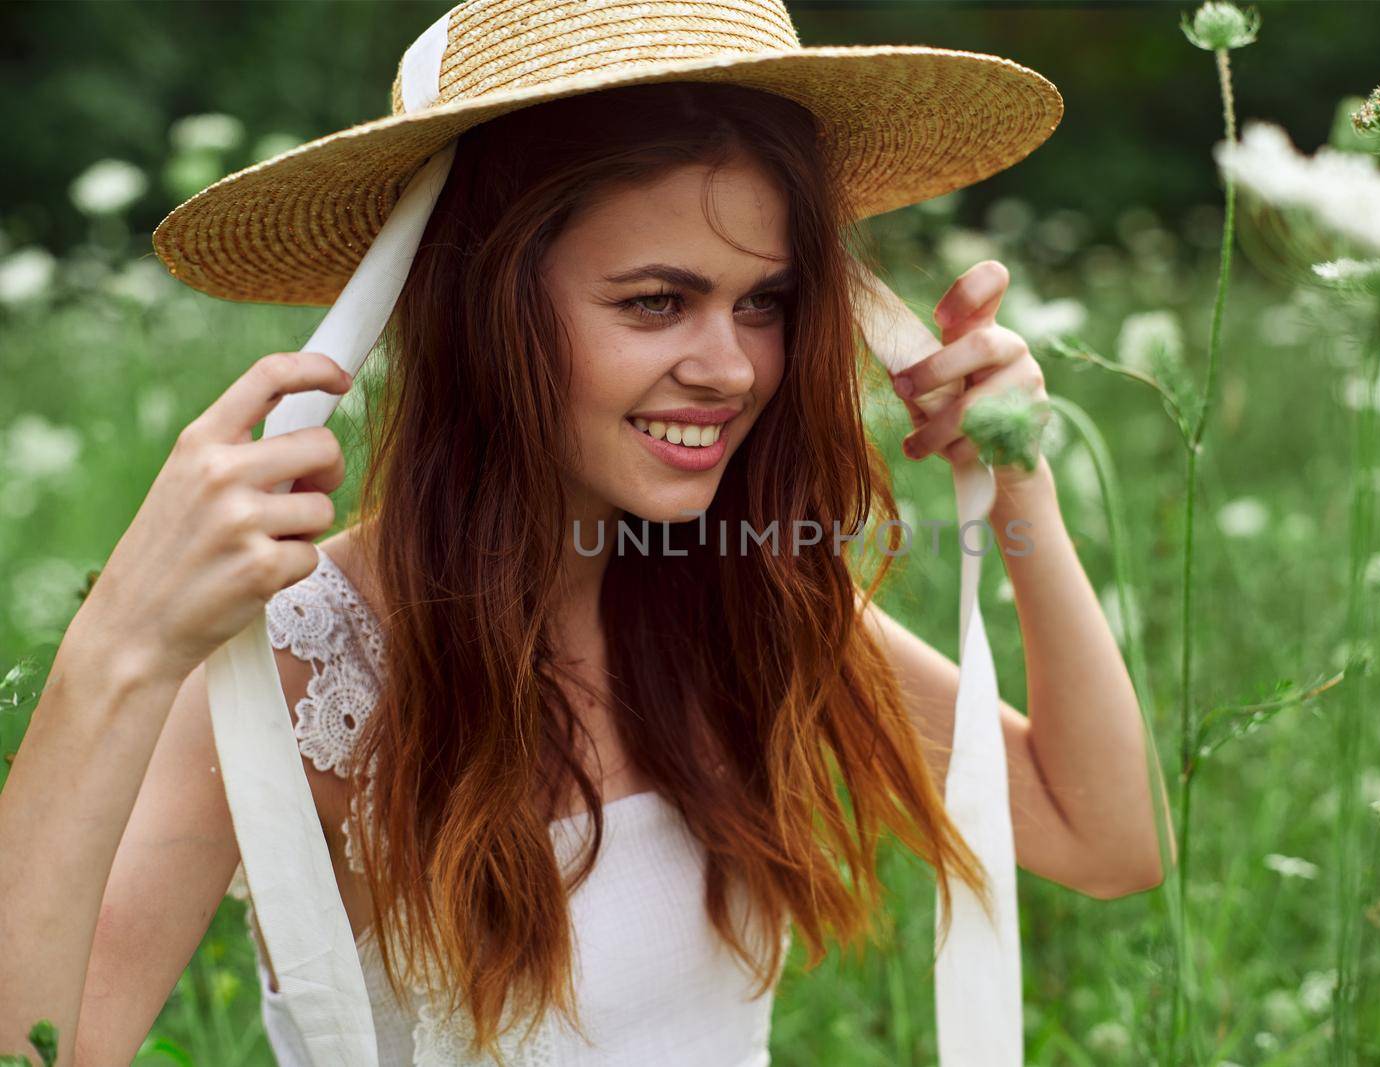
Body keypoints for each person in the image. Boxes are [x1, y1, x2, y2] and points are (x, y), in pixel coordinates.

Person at [0, 3, 1168, 1064]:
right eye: (655, 301)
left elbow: (1105, 838)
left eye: (762, 301)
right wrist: (124, 641)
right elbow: (45, 1042)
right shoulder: (308, 657)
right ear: (481, 307)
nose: (730, 367)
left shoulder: (735, 592)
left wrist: (1018, 481)